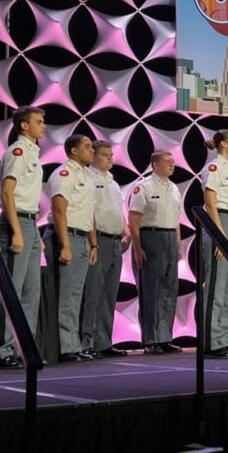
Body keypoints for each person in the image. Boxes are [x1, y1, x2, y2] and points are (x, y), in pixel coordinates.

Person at [0, 106, 46, 369]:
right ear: (24, 126)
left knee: (31, 292)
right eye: (39, 121)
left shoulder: (33, 152)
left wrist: (34, 233)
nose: (43, 125)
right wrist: (15, 230)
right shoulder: (18, 151)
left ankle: (26, 348)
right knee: (10, 289)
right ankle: (2, 351)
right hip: (17, 222)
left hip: (31, 223)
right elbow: (7, 194)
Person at [45, 134, 97, 362]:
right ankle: (65, 348)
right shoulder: (63, 173)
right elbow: (59, 211)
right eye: (87, 147)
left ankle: (73, 345)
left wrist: (93, 243)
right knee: (66, 295)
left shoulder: (87, 175)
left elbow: (89, 212)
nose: (92, 150)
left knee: (76, 295)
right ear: (73, 151)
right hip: (66, 237)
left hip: (82, 238)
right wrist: (65, 245)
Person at [128, 150, 183, 355]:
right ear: (155, 165)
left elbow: (176, 220)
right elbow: (133, 218)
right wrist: (138, 246)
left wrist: (177, 245)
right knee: (152, 290)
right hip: (151, 237)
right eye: (167, 162)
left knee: (169, 290)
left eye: (173, 162)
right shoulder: (143, 187)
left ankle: (165, 337)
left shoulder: (175, 188)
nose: (172, 165)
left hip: (169, 238)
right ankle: (151, 339)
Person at [81, 140, 131, 359]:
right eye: (104, 155)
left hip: (114, 241)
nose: (110, 158)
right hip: (97, 239)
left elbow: (117, 211)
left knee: (109, 294)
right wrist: (93, 242)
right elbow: (89, 211)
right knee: (92, 293)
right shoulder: (88, 177)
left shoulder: (112, 182)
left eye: (111, 154)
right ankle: (86, 343)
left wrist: (126, 232)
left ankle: (103, 342)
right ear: (93, 156)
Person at [199, 130, 228, 358]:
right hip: (219, 222)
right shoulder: (214, 167)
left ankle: (224, 339)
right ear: (223, 145)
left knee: (227, 288)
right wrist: (219, 235)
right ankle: (212, 342)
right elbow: (210, 203)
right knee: (216, 287)